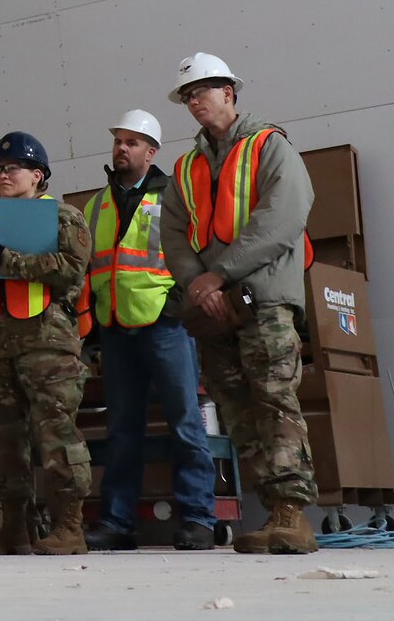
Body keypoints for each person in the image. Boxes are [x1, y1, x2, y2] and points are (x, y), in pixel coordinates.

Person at [159, 53, 319, 554]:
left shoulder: (268, 147)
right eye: (188, 96)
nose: (194, 102)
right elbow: (174, 234)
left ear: (230, 92)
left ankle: (293, 513)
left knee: (274, 398)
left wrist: (217, 274)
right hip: (215, 308)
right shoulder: (186, 168)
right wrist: (200, 287)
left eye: (202, 91)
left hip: (265, 298)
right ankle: (275, 513)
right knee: (238, 407)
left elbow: (283, 215)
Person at [84, 109, 219, 551]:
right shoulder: (96, 203)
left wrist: (177, 308)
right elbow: (90, 270)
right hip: (115, 329)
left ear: (151, 151)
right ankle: (118, 523)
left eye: (132, 142)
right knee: (123, 430)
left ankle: (198, 519)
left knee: (185, 424)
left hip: (165, 326)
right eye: (118, 140)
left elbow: (197, 254)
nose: (121, 148)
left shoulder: (173, 196)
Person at [0, 131, 93, 556]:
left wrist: (7, 260)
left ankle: (69, 526)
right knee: (1, 439)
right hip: (1, 344)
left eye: (11, 168)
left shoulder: (64, 216)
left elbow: (70, 270)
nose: (2, 175)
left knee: (56, 433)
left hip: (48, 343)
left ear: (37, 175)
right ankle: (15, 527)